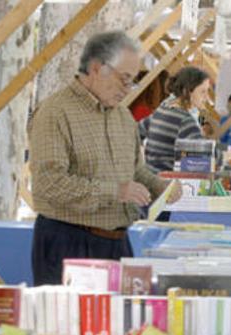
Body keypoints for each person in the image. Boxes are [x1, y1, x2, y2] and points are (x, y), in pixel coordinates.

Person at [29, 31, 182, 286]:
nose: (128, 89)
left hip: (117, 243)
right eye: (124, 79)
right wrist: (116, 191)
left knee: (120, 321)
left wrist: (159, 186)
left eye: (132, 81)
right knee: (67, 324)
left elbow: (135, 171)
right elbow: (49, 183)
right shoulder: (54, 113)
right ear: (97, 69)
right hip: (68, 242)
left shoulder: (122, 116)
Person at [142, 66, 211, 172]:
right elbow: (206, 155)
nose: (207, 97)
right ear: (186, 91)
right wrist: (222, 155)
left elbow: (138, 130)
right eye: (203, 91)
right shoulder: (184, 120)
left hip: (152, 176)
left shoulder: (163, 108)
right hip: (167, 183)